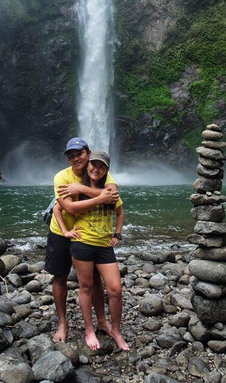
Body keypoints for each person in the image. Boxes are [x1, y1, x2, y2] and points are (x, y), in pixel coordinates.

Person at [46, 138, 119, 343]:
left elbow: (113, 195)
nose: (76, 158)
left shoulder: (98, 169)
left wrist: (82, 190)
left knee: (94, 279)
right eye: (71, 155)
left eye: (79, 153)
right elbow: (67, 208)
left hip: (87, 235)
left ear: (88, 153)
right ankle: (63, 323)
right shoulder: (62, 177)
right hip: (61, 232)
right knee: (59, 276)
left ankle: (102, 321)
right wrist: (100, 197)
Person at [68, 151, 129, 352]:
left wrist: (117, 235)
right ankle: (89, 330)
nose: (96, 169)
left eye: (101, 166)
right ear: (87, 166)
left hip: (104, 246)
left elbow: (120, 213)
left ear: (106, 171)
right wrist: (68, 231)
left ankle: (116, 331)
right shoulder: (76, 188)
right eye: (93, 164)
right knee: (85, 287)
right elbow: (64, 208)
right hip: (82, 243)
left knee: (115, 289)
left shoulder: (110, 191)